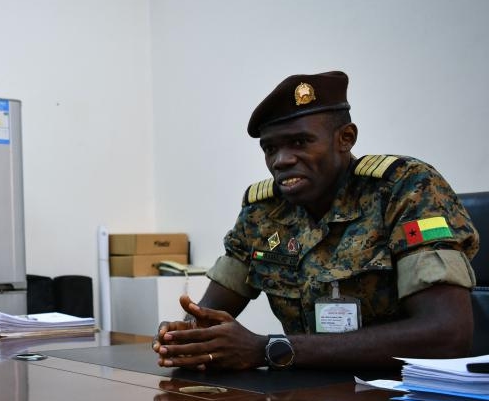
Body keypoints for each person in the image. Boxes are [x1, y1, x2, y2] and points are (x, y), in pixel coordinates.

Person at [155, 71, 479, 370]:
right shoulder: (262, 211)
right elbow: (209, 311)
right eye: (270, 148)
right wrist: (186, 335)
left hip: (397, 399)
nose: (281, 161)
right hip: (303, 400)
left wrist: (270, 349)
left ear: (345, 138)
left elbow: (447, 333)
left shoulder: (404, 188)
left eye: (299, 142)